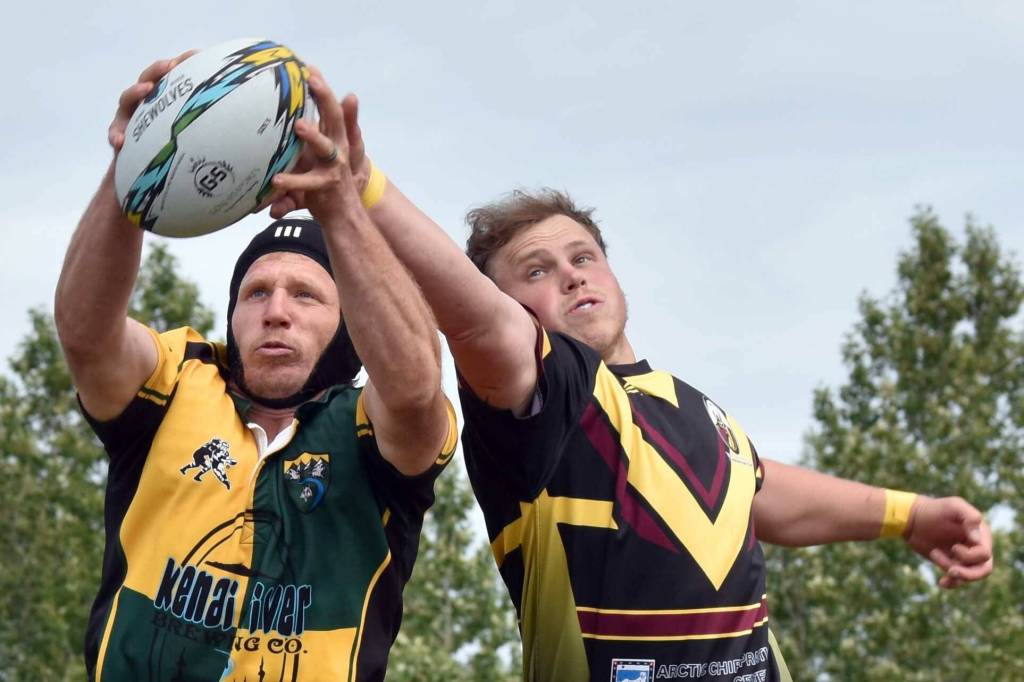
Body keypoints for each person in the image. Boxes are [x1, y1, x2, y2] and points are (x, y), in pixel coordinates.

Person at [269, 97, 995, 682]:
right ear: (513, 307)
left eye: (583, 256)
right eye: (536, 271)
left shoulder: (693, 407)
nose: (571, 274)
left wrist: (911, 515)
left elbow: (764, 493)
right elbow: (480, 324)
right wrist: (363, 187)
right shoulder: (536, 400)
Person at [55, 55, 455, 681]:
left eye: (307, 295)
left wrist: (341, 209)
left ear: (350, 323)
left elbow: (413, 389)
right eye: (256, 293)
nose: (276, 312)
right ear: (233, 315)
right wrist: (129, 170)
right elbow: (85, 334)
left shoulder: (368, 425)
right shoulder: (177, 381)